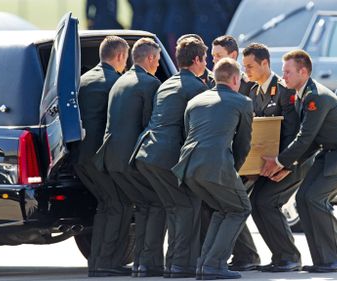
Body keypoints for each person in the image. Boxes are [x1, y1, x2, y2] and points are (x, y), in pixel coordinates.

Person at [260, 49, 337, 273]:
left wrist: (279, 162)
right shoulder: (301, 94)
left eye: (288, 72)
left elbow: (305, 137)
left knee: (316, 199)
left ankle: (336, 259)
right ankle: (323, 260)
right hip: (329, 151)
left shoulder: (315, 96)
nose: (283, 76)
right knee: (305, 198)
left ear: (303, 72)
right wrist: (288, 165)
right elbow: (313, 141)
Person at [132, 37, 208, 278]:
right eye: (204, 59)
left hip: (146, 154)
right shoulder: (196, 87)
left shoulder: (166, 83)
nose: (205, 64)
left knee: (174, 206)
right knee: (187, 205)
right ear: (196, 60)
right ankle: (180, 265)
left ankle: (164, 264)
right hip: (166, 156)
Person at [172, 57, 253, 280]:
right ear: (236, 79)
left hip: (188, 167)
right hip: (216, 165)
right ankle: (214, 264)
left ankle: (205, 264)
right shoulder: (243, 102)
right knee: (240, 208)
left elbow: (189, 133)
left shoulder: (195, 102)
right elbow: (243, 143)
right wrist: (233, 169)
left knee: (222, 209)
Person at [94, 38, 165, 277]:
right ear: (150, 59)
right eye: (157, 60)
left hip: (110, 158)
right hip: (130, 159)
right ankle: (148, 263)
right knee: (156, 202)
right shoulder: (150, 83)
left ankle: (139, 263)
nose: (157, 65)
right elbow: (149, 124)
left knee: (143, 204)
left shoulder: (119, 81)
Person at [241, 43, 312, 273]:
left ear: (265, 63)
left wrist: (284, 164)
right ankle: (281, 256)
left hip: (290, 162)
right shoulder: (253, 91)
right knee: (255, 203)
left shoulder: (283, 90)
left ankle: (290, 256)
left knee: (267, 202)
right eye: (244, 67)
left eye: (250, 66)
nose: (247, 71)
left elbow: (292, 132)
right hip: (268, 164)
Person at [72, 35, 132, 277]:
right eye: (125, 58)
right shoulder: (115, 83)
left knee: (106, 205)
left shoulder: (83, 80)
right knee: (119, 205)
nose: (125, 64)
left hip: (79, 157)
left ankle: (98, 263)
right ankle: (107, 263)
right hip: (101, 158)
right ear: (119, 56)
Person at [208, 35, 260, 272]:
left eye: (218, 56)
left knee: (233, 207)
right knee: (230, 207)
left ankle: (244, 255)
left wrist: (240, 166)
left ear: (233, 56)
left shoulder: (248, 86)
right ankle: (243, 255)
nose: (214, 60)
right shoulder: (214, 84)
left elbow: (251, 131)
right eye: (213, 56)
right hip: (224, 160)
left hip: (241, 159)